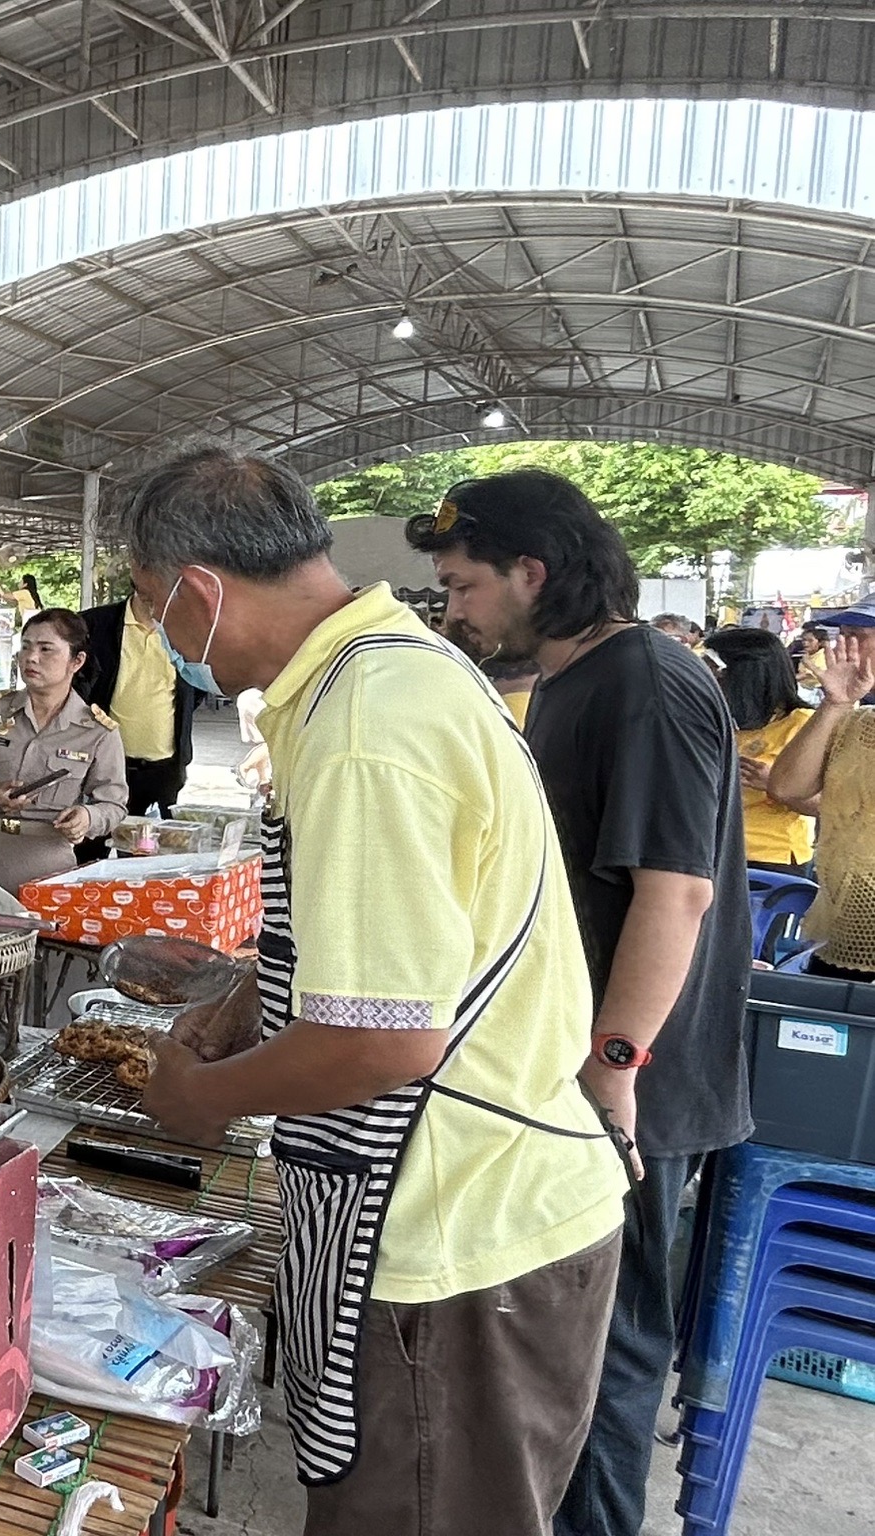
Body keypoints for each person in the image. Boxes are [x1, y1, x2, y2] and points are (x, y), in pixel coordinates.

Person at [119, 451, 626, 1535]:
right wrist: (250, 996)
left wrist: (202, 1098)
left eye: (155, 608)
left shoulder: (368, 724)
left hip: (459, 1243)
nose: (158, 636)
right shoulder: (378, 674)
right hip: (469, 1218)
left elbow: (385, 1042)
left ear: (202, 591)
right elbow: (408, 948)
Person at [414, 473, 754, 1536]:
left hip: (629, 1084)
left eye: (464, 587)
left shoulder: (644, 682)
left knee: (603, 1353)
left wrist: (613, 1071)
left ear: (533, 573)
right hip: (571, 1068)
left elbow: (676, 892)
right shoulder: (566, 681)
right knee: (557, 1344)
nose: (455, 610)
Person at [0, 606, 128, 888]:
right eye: (26, 646)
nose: (31, 657)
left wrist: (88, 817)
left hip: (49, 867)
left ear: (76, 661)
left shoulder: (97, 731)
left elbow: (113, 804)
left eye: (46, 649)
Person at [771, 619, 875, 978]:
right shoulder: (858, 724)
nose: (843, 647)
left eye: (858, 636)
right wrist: (835, 704)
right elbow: (786, 789)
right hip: (845, 936)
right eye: (842, 635)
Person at [77, 586, 201, 814]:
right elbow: (75, 686)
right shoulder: (94, 625)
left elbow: (195, 689)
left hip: (165, 768)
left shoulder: (184, 630)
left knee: (157, 836)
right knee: (98, 834)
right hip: (105, 767)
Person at [706, 626, 815, 876]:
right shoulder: (722, 720)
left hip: (770, 857)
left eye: (717, 673)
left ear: (744, 675)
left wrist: (773, 783)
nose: (709, 681)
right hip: (713, 849)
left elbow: (828, 804)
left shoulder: (802, 724)